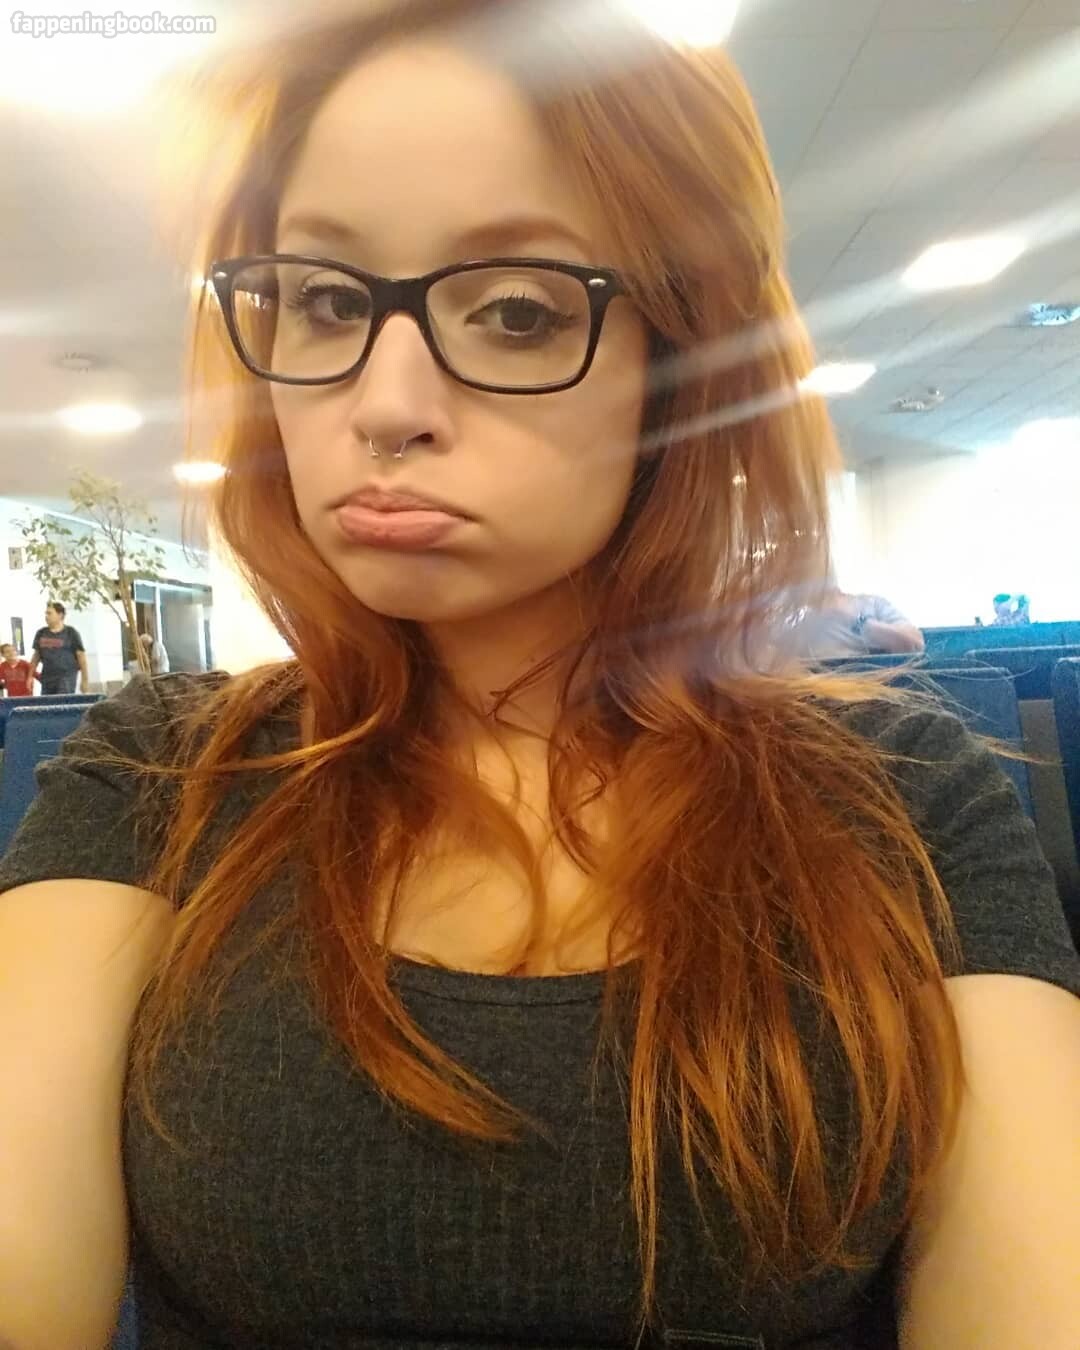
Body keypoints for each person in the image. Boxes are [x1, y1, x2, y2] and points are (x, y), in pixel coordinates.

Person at [0, 5, 1077, 1348]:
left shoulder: (905, 795)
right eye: (327, 300)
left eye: (514, 310)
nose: (385, 405)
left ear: (685, 365)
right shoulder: (162, 771)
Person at [789, 585, 926, 661]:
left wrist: (858, 622)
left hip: (877, 687)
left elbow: (915, 643)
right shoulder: (795, 619)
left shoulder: (872, 604)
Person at [25, 601, 88, 695]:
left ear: (60, 615)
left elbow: (81, 657)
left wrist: (85, 680)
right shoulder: (41, 633)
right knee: (48, 703)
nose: (46, 616)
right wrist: (30, 677)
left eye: (49, 613)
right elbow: (36, 657)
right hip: (47, 678)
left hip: (66, 678)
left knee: (62, 701)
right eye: (46, 614)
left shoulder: (71, 633)